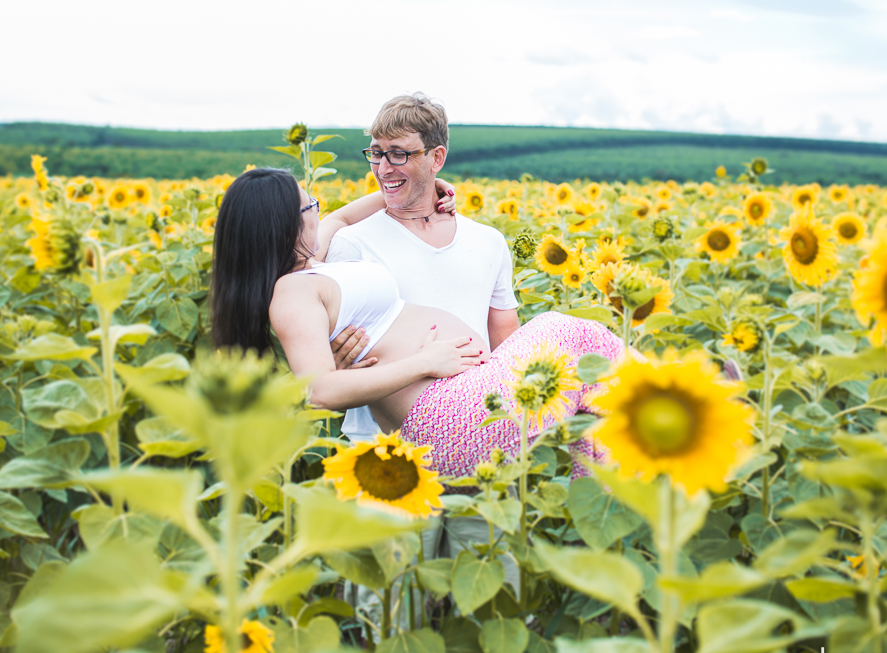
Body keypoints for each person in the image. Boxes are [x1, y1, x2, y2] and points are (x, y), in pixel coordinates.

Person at [209, 167, 623, 473]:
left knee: (591, 401)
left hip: (463, 400)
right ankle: (664, 425)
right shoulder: (290, 294)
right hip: (444, 419)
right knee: (567, 331)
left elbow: (345, 216)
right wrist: (425, 363)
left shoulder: (313, 262)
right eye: (310, 204)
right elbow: (318, 389)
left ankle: (612, 485)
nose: (320, 210)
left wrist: (426, 187)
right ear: (285, 223)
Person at [323, 94, 521, 445]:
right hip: (381, 442)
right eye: (376, 152)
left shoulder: (488, 241)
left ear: (437, 158)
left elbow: (505, 338)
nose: (384, 168)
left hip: (477, 434)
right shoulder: (353, 244)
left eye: (398, 153)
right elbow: (335, 356)